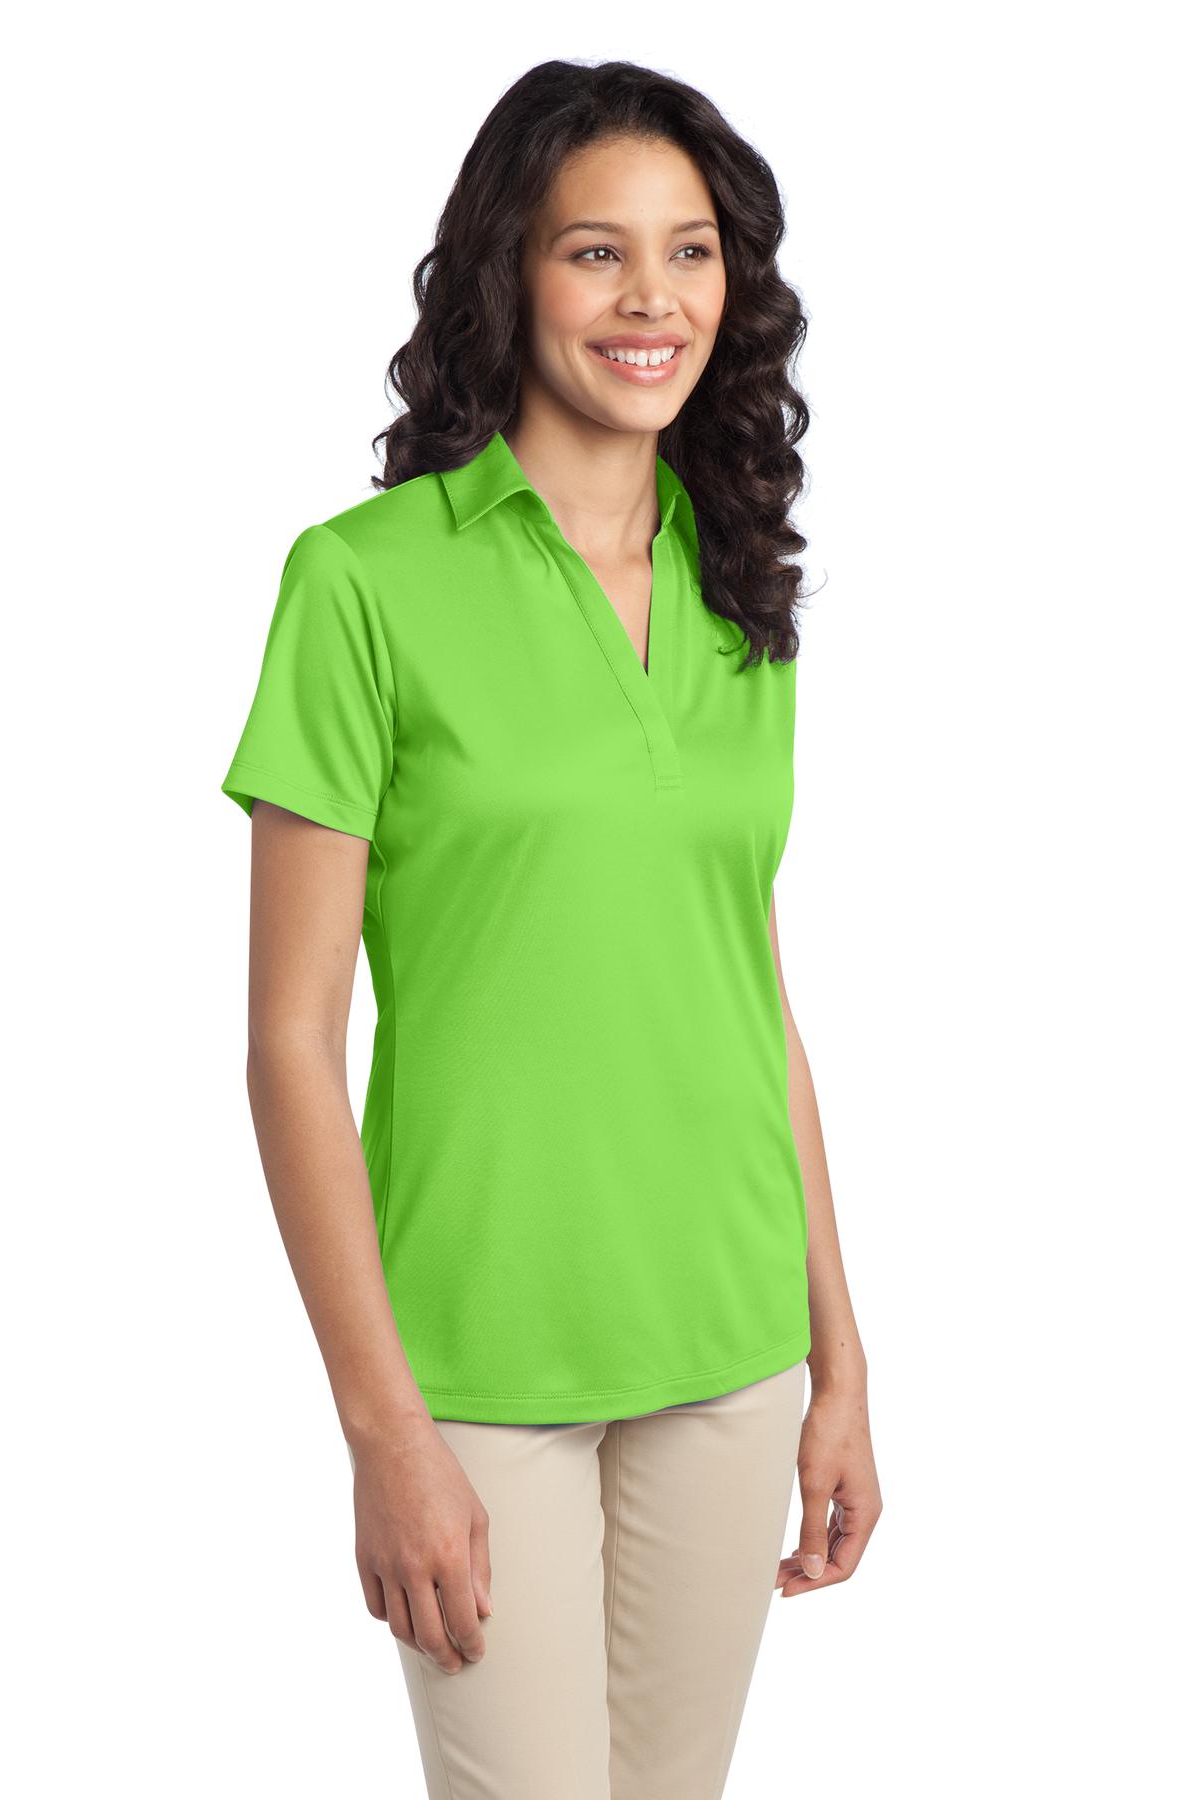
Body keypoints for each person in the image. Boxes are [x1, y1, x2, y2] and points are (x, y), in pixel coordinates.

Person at [220, 58, 881, 1800]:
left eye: (689, 252)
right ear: (509, 270)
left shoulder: (742, 596)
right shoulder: (362, 582)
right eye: (597, 251)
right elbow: (289, 1045)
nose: (651, 299)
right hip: (481, 1363)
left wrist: (840, 1354)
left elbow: (746, 989)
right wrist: (384, 1430)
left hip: (730, 1346)